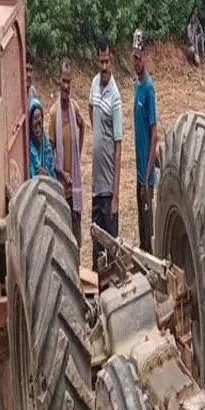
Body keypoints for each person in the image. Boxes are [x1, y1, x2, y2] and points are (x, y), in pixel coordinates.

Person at [88, 35, 124, 273]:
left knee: (111, 251)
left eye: (106, 62)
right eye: (100, 62)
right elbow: (91, 108)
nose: (103, 67)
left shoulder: (115, 97)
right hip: (95, 186)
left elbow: (119, 147)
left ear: (111, 60)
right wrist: (98, 135)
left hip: (108, 188)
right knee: (96, 248)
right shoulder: (94, 84)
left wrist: (116, 196)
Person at [48, 59, 87, 247]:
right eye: (63, 81)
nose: (65, 86)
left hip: (74, 188)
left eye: (68, 82)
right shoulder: (53, 114)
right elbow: (50, 154)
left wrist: (78, 155)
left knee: (76, 239)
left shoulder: (74, 108)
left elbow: (83, 126)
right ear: (58, 81)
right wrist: (62, 174)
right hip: (61, 188)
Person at [132, 29, 158, 253]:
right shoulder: (137, 87)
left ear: (145, 57)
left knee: (149, 231)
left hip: (146, 176)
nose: (136, 62)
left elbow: (154, 135)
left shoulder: (148, 89)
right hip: (138, 173)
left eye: (139, 58)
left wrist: (147, 177)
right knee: (141, 227)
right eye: (133, 58)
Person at [27, 98, 56, 179]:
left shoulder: (46, 146)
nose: (38, 130)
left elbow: (52, 174)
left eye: (40, 124)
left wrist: (46, 174)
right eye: (34, 126)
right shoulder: (29, 149)